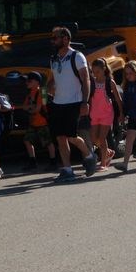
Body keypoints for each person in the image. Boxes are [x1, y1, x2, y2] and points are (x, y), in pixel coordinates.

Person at [47, 26, 98, 182]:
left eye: (55, 38)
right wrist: (48, 89)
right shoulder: (53, 59)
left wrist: (85, 101)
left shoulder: (77, 56)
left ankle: (90, 155)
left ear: (66, 39)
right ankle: (67, 170)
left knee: (71, 136)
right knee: (60, 138)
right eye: (52, 38)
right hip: (57, 103)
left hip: (74, 102)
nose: (52, 41)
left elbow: (86, 79)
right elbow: (53, 79)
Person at [89, 58, 123, 171]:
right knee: (94, 138)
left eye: (97, 71)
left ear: (104, 69)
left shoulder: (109, 82)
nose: (95, 74)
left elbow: (118, 99)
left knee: (102, 138)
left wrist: (121, 113)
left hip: (106, 114)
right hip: (94, 113)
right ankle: (108, 152)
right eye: (93, 72)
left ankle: (103, 163)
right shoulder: (92, 82)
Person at [19, 72, 57, 171]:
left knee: (48, 142)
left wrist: (30, 108)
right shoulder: (29, 94)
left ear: (36, 82)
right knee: (27, 140)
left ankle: (53, 162)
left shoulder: (42, 92)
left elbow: (38, 109)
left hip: (43, 122)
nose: (26, 83)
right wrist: (31, 108)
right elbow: (24, 107)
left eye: (29, 81)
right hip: (33, 123)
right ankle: (33, 162)